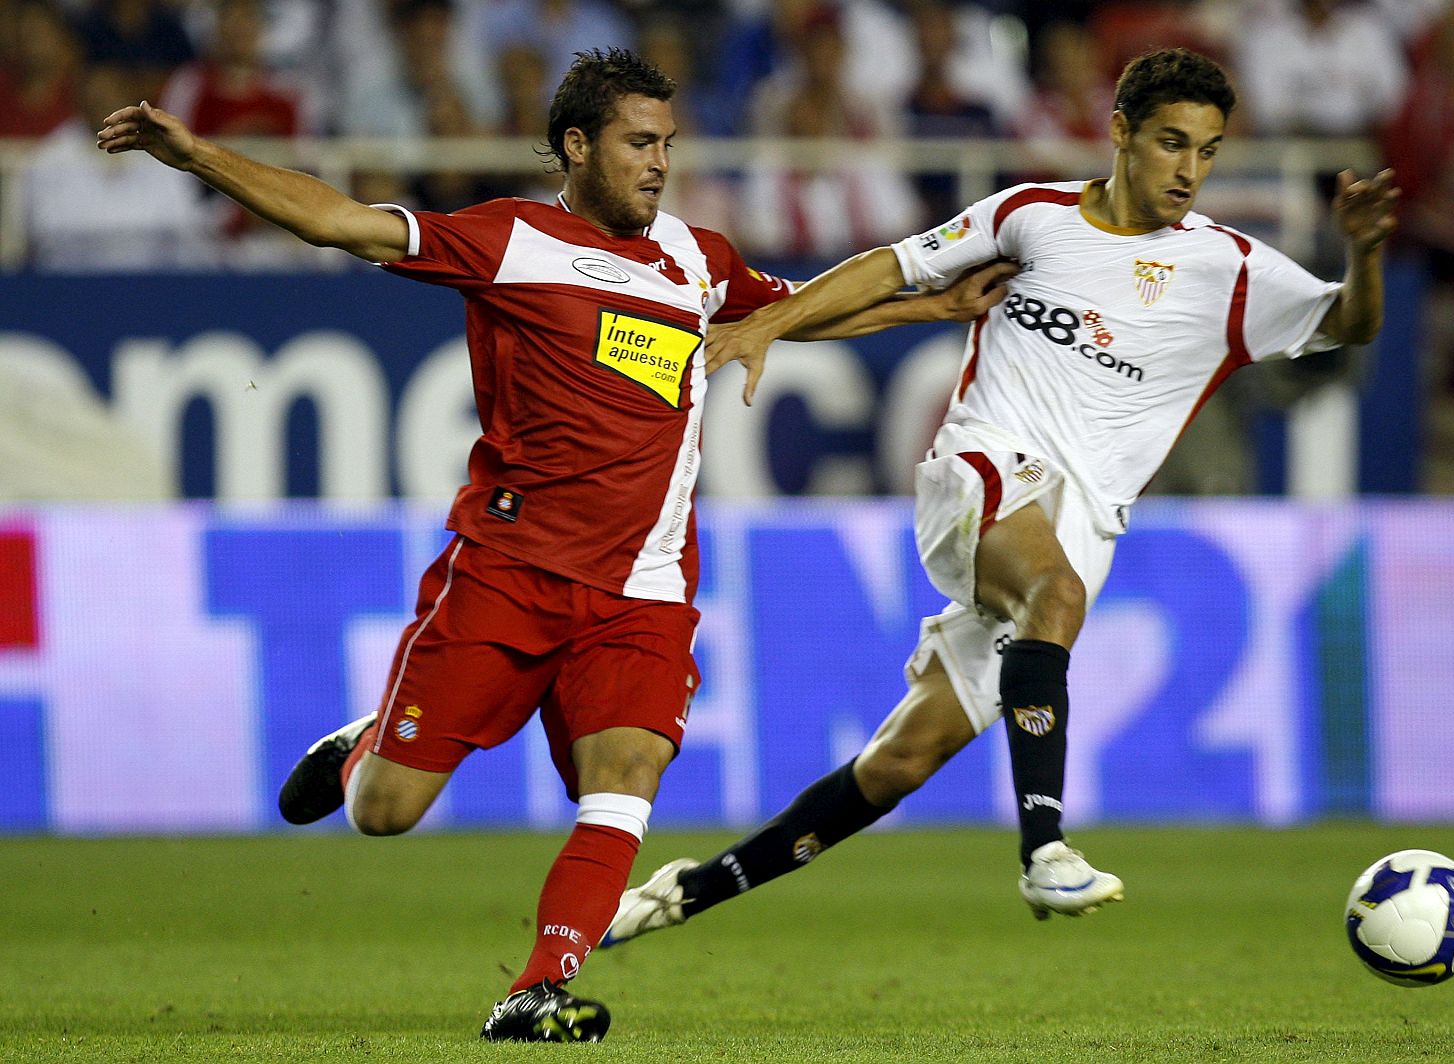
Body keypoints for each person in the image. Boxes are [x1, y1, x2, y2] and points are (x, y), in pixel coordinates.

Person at [95, 47, 1011, 1043]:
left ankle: (534, 986)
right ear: (576, 147)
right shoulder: (509, 241)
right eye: (636, 143)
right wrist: (194, 157)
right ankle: (367, 739)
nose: (657, 162)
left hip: (643, 588)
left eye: (666, 143)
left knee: (628, 773)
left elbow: (790, 310)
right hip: (507, 574)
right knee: (384, 810)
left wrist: (933, 301)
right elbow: (335, 219)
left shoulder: (696, 256)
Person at [603, 47, 1398, 950]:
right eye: (1172, 143)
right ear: (1121, 133)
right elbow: (895, 266)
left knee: (899, 762)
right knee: (1052, 596)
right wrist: (765, 324)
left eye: (1208, 151)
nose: (1189, 169)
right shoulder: (1034, 216)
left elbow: (1347, 322)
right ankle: (1045, 847)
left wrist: (1362, 253)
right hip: (980, 472)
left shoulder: (1229, 269)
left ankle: (687, 891)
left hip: (1081, 524)